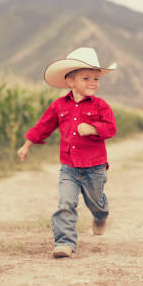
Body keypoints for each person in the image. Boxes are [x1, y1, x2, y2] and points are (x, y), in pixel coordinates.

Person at [17, 47, 117, 258]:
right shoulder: (59, 106)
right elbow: (43, 126)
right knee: (66, 203)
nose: (93, 83)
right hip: (69, 167)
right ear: (70, 81)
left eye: (96, 79)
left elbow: (111, 128)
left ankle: (100, 216)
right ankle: (64, 242)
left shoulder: (101, 105)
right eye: (86, 78)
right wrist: (27, 145)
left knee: (96, 203)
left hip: (95, 168)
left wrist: (93, 128)